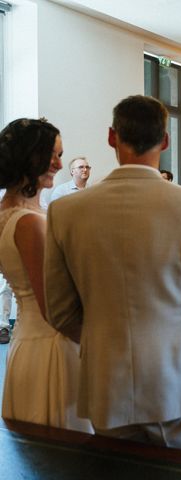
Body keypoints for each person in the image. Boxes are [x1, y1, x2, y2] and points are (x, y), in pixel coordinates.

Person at [44, 95, 181, 454]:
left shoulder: (66, 211)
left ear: (110, 137)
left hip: (106, 381)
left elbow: (58, 311)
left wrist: (108, 336)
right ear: (165, 141)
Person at [0, 118, 92, 433]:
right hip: (54, 347)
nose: (59, 164)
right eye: (52, 155)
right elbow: (55, 307)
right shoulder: (29, 223)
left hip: (29, 342)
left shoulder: (9, 214)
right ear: (29, 156)